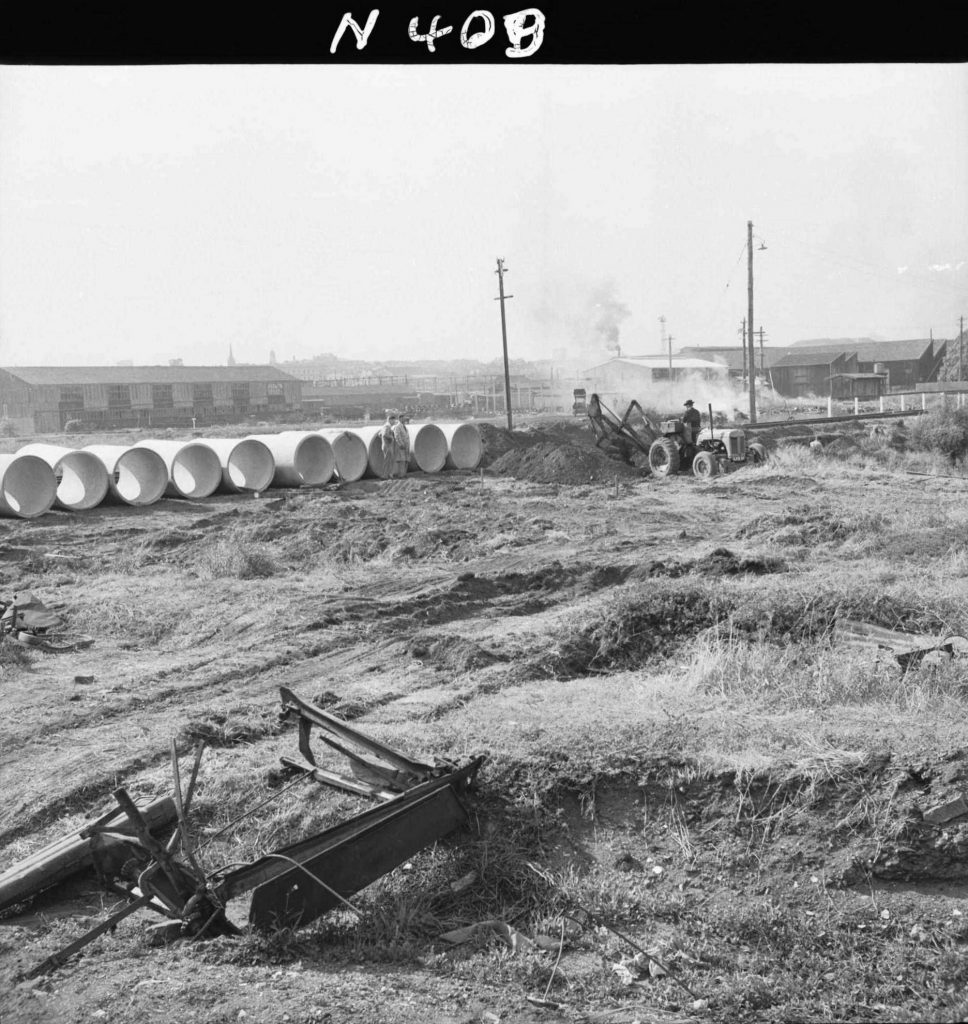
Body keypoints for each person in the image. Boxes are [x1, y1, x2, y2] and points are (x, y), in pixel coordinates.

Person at [380, 412, 399, 477]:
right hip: (387, 446)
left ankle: (386, 475)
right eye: (393, 420)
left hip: (386, 445)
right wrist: (391, 437)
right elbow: (384, 434)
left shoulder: (385, 426)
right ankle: (384, 475)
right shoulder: (387, 426)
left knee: (387, 461)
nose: (394, 422)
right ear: (390, 420)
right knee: (387, 461)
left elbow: (379, 434)